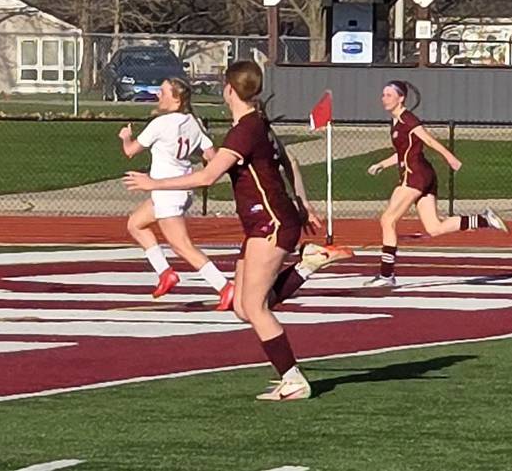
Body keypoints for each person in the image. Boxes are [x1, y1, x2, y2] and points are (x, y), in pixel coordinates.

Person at [125, 61, 350, 401]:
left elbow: (206, 177)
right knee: (244, 307)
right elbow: (291, 163)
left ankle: (294, 380)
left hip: (270, 223)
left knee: (256, 308)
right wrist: (303, 204)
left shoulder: (245, 130)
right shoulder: (258, 123)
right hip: (266, 222)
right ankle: (307, 264)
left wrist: (153, 183)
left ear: (229, 89)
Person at [363, 81, 507, 287]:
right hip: (421, 174)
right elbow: (404, 152)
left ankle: (386, 275)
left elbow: (429, 141)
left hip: (415, 175)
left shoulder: (408, 119)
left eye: (388, 94)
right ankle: (484, 220)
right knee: (434, 227)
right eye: (383, 94)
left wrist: (450, 158)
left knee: (387, 220)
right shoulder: (395, 122)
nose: (383, 98)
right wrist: (382, 164)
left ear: (401, 98)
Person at [116, 78, 234, 310]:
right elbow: (212, 156)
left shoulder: (161, 123)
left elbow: (130, 151)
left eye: (163, 92)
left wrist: (125, 137)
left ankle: (224, 286)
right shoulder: (194, 121)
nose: (158, 95)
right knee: (135, 224)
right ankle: (165, 272)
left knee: (182, 246)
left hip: (165, 190)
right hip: (181, 188)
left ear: (177, 99)